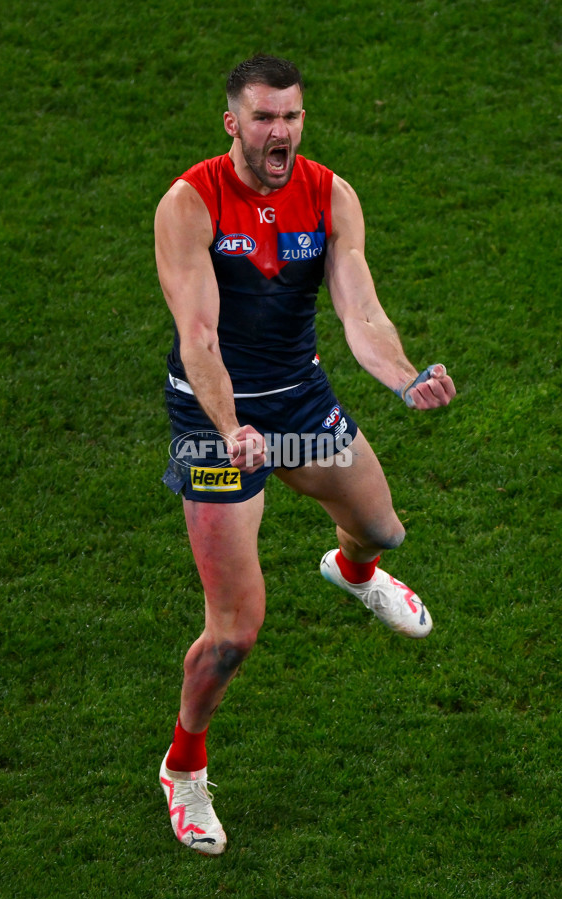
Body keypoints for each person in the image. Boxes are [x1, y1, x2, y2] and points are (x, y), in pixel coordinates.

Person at [154, 55, 456, 856]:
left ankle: (350, 571)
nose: (279, 132)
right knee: (233, 635)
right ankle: (184, 768)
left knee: (384, 532)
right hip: (215, 426)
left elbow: (359, 307)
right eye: (263, 118)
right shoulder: (191, 203)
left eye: (291, 117)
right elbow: (200, 335)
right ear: (233, 124)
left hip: (298, 404)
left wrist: (404, 377)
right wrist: (228, 427)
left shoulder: (329, 194)